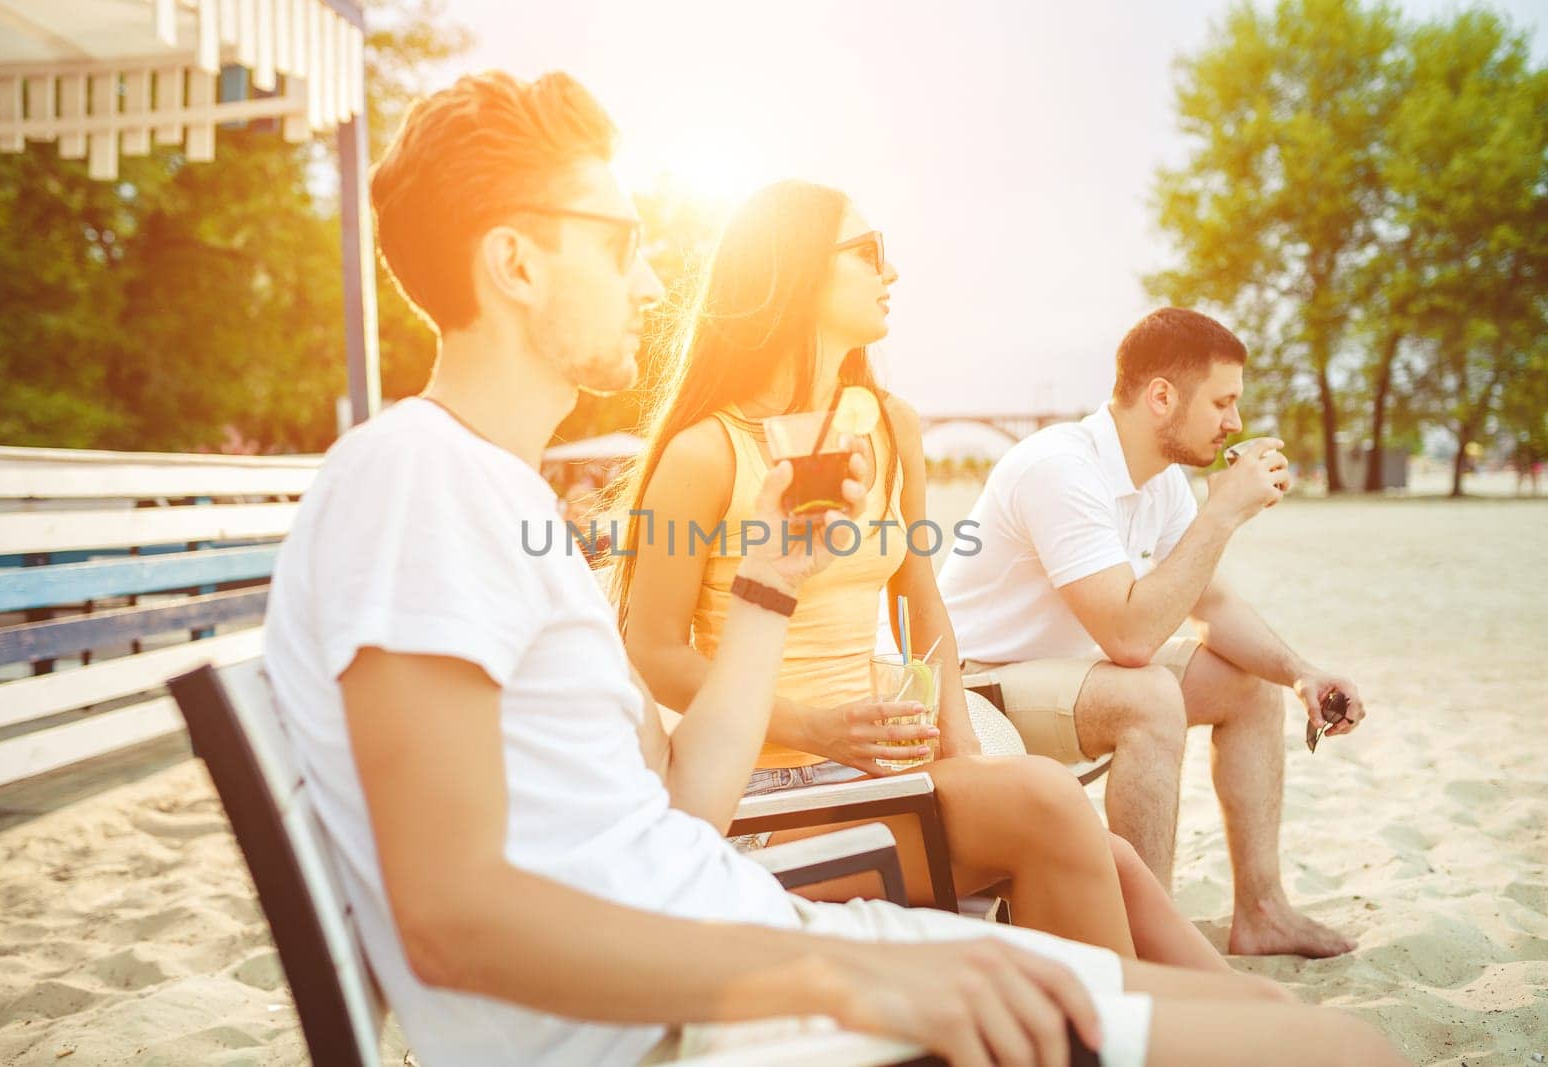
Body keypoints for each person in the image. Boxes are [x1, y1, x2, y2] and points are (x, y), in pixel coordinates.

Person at [260, 69, 1407, 1066]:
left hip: (749, 948)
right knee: (1327, 1046)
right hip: (716, 1009)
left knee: (1265, 1018)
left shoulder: (482, 487)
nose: (654, 282)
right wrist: (839, 976)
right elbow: (451, 919)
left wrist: (767, 584)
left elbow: (677, 805)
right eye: (619, 244)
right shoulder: (413, 483)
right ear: (513, 261)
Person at [611, 180, 1224, 973]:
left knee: (1118, 867)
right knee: (1049, 803)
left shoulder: (889, 423)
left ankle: (1243, 1028)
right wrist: (815, 727)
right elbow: (653, 649)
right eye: (866, 253)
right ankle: (1146, 1028)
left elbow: (922, 597)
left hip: (878, 769)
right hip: (766, 792)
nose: (890, 272)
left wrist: (961, 745)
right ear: (796, 271)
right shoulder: (706, 453)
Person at [937, 307, 1369, 959]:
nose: (1236, 423)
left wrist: (1301, 671)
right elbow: (1131, 639)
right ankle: (1146, 939)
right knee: (1148, 694)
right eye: (1223, 401)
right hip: (974, 690)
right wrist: (1222, 511)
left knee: (1248, 687)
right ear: (1161, 397)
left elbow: (1211, 603)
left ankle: (1263, 911)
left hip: (1065, 678)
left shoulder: (1161, 481)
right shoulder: (1060, 467)